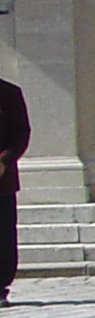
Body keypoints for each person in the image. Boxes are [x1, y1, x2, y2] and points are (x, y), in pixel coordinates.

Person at [0, 76, 26, 306]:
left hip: (0, 179)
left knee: (2, 234)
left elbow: (21, 132)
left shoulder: (9, 93)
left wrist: (4, 161)